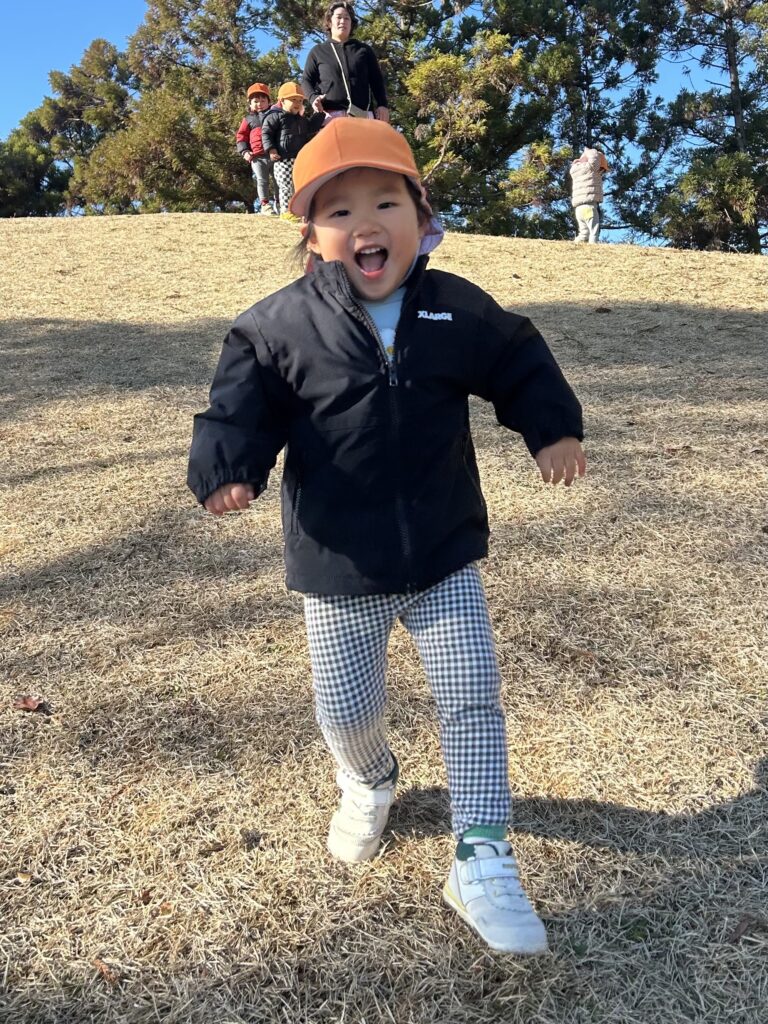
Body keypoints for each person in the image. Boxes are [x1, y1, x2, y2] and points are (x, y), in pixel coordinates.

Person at [187, 119, 586, 956]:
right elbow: (240, 403)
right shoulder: (279, 325)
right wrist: (230, 467)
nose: (365, 223)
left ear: (422, 216)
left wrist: (551, 427)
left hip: (443, 554)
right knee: (346, 709)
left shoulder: (456, 308)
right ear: (311, 235)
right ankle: (368, 779)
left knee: (472, 699)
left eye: (386, 203)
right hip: (339, 564)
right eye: (340, 211)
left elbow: (518, 357)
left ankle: (481, 854)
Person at [301, 2, 389, 124]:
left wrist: (382, 104)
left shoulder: (363, 50)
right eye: (339, 17)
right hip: (330, 116)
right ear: (329, 22)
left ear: (352, 23)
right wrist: (313, 98)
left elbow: (377, 80)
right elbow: (306, 80)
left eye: (347, 18)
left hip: (363, 116)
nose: (343, 21)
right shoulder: (318, 51)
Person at [262, 82, 324, 220]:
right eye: (293, 99)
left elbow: (311, 127)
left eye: (300, 100)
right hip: (282, 159)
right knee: (285, 186)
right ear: (282, 101)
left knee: (300, 185)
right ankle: (286, 211)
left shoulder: (301, 120)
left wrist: (319, 113)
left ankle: (301, 212)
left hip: (299, 159)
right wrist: (271, 149)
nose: (297, 103)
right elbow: (266, 133)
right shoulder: (275, 116)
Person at [236, 82, 277, 215]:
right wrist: (244, 151)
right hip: (257, 157)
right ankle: (265, 205)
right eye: (256, 101)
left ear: (269, 102)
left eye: (263, 101)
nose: (259, 104)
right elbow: (241, 136)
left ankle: (280, 203)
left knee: (278, 180)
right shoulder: (248, 119)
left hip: (274, 154)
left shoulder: (275, 115)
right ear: (250, 103)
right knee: (262, 180)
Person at [568, 147, 609, 243]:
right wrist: (590, 151)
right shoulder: (590, 168)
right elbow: (594, 161)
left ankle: (573, 246)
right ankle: (593, 247)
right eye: (601, 168)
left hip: (578, 209)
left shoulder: (575, 170)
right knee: (594, 232)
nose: (601, 171)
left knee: (583, 233)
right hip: (589, 207)